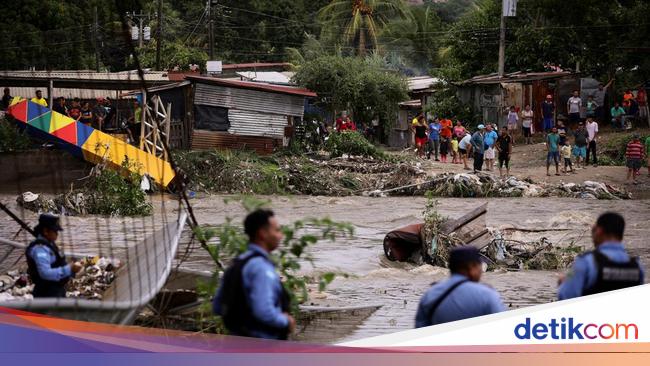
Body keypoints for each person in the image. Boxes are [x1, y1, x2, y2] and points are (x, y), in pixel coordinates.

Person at [213, 209, 296, 339]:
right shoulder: (262, 269)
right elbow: (263, 311)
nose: (281, 235)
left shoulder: (238, 263)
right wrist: (286, 321)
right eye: (277, 230)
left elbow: (217, 306)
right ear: (262, 234)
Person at [558, 212, 643, 300]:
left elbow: (566, 296)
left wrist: (564, 283)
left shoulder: (586, 262)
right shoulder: (637, 266)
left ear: (599, 231)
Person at [415, 246, 505, 327]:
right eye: (479, 266)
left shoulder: (430, 295)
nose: (481, 271)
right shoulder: (487, 295)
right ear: (472, 267)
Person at [26, 214, 82, 298]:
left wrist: (72, 269)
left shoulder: (49, 244)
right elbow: (45, 273)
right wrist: (69, 268)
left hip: (56, 290)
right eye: (55, 231)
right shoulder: (40, 250)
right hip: (46, 294)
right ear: (46, 231)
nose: (57, 233)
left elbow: (56, 263)